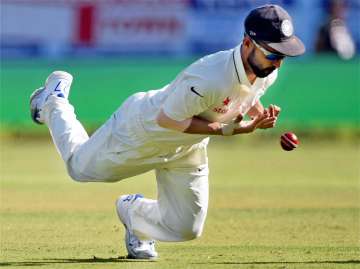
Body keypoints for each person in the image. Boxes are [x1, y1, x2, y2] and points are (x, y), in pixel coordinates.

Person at [30, 4, 305, 260]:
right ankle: (54, 101)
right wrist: (227, 130)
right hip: (143, 130)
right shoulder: (209, 76)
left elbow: (245, 94)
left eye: (282, 55)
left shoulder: (267, 71)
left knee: (187, 228)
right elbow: (168, 120)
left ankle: (134, 216)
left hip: (188, 147)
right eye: (271, 54)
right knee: (78, 169)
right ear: (247, 43)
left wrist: (257, 114)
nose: (277, 63)